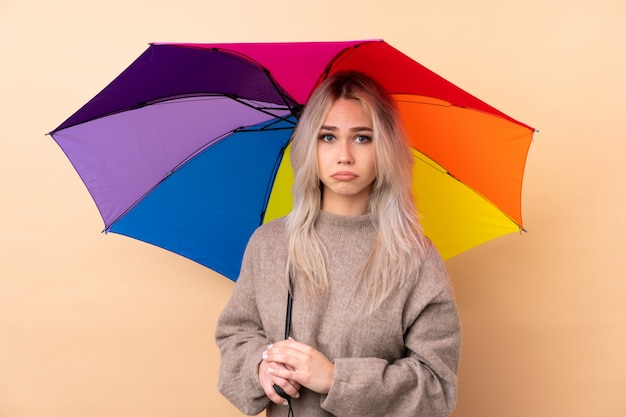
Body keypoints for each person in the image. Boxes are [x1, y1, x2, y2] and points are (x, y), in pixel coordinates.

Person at [215, 71, 461, 417]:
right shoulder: (269, 244)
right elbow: (235, 336)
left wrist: (335, 379)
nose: (344, 155)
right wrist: (260, 367)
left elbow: (436, 388)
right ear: (309, 147)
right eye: (327, 137)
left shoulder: (416, 257)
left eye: (362, 138)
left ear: (385, 148)